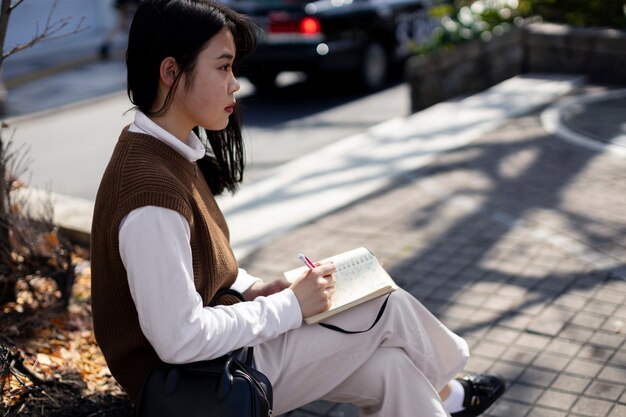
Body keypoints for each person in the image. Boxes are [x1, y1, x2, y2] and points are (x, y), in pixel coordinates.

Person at [90, 1, 506, 416]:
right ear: (170, 72)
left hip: (216, 363)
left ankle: (446, 400)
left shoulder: (168, 153)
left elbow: (201, 279)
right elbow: (179, 339)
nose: (235, 83)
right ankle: (451, 389)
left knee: (390, 368)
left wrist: (255, 290)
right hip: (197, 387)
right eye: (223, 67)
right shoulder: (151, 192)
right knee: (383, 305)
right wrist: (290, 308)